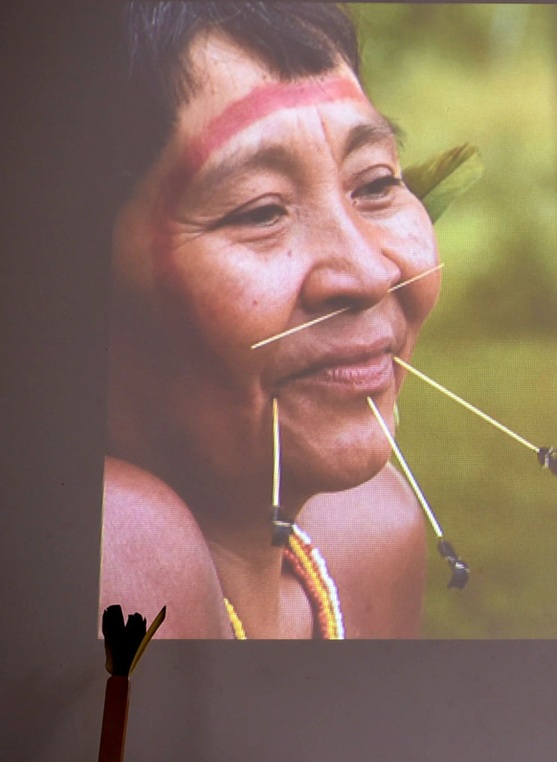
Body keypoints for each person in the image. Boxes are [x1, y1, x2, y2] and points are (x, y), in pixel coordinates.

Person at [99, 1, 441, 639]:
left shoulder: (370, 533)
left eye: (374, 184)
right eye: (259, 212)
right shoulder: (111, 544)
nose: (368, 274)